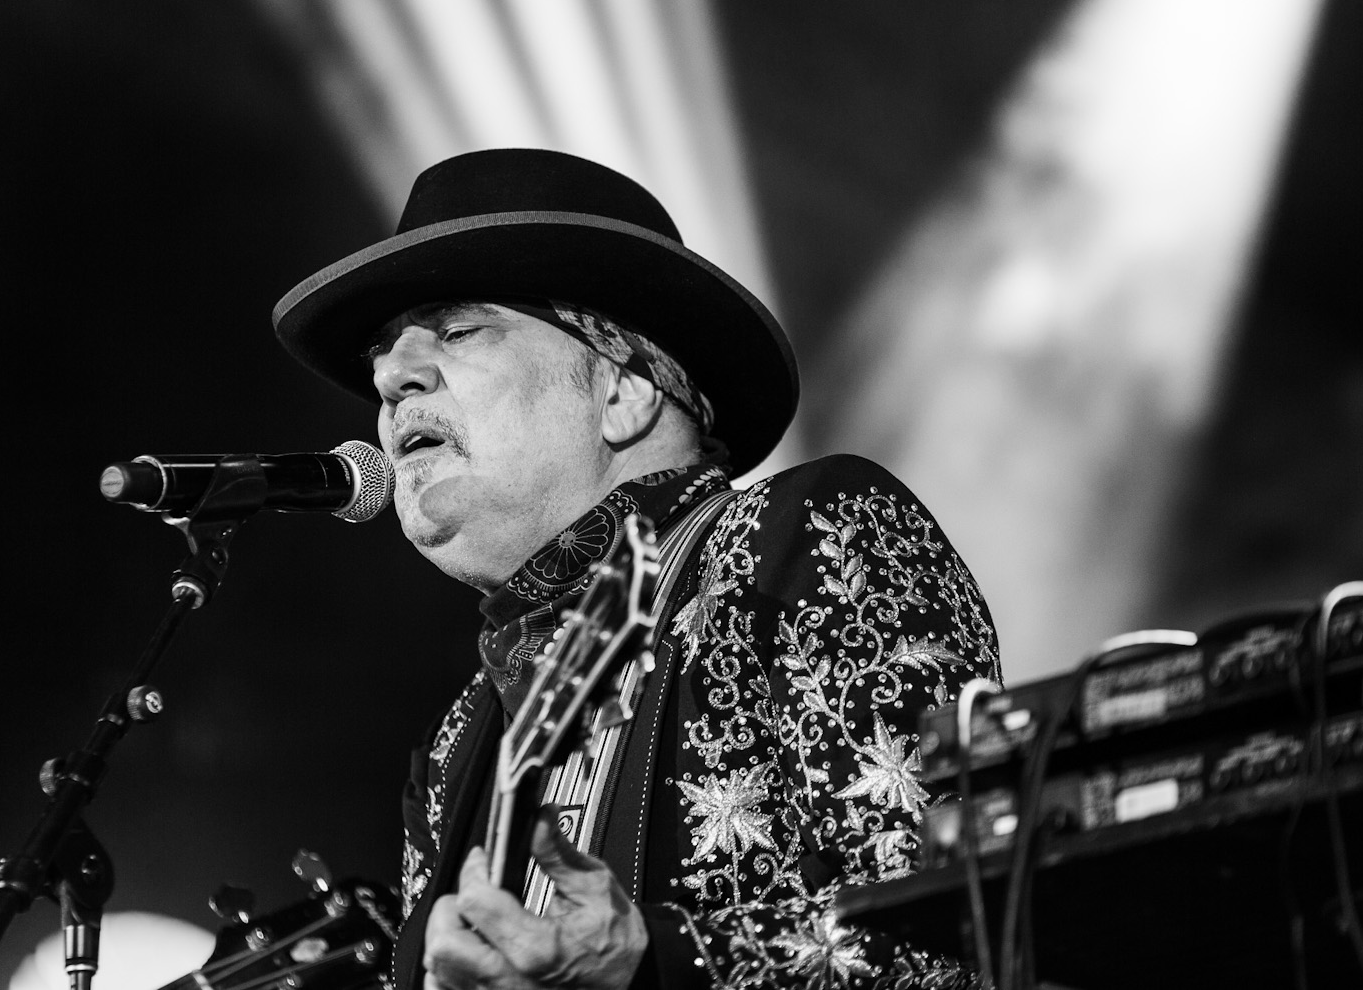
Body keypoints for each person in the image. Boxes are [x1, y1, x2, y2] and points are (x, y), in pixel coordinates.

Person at [272, 149, 1001, 990]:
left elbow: (953, 925)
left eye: (460, 330)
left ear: (625, 390)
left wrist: (653, 959)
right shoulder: (462, 735)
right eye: (382, 356)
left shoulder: (804, 532)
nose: (391, 376)